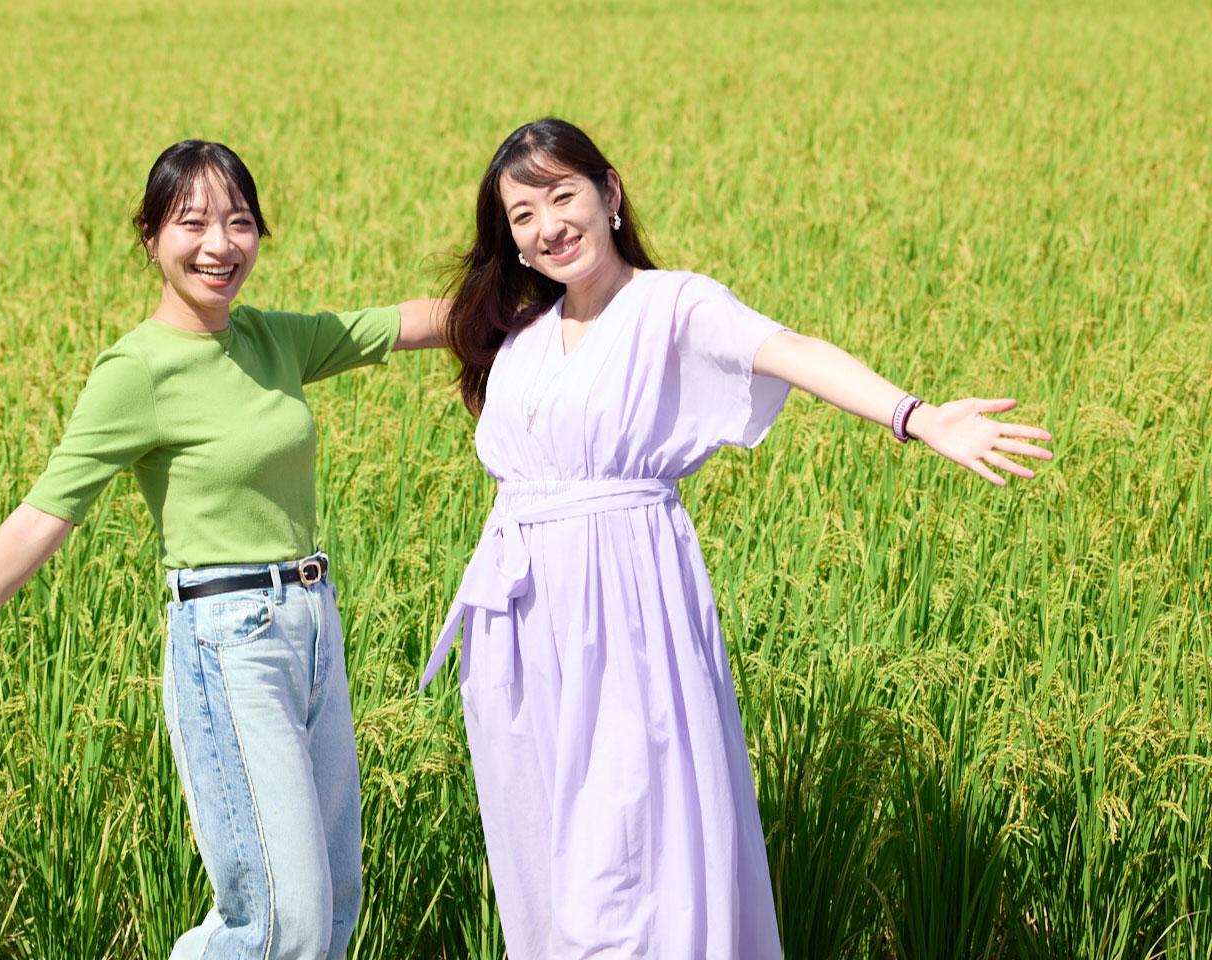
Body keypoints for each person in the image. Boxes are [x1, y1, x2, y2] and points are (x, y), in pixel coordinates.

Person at [423, 118, 1053, 958]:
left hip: (625, 610)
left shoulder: (671, 304)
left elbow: (787, 350)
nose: (548, 226)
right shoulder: (521, 332)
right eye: (522, 213)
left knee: (629, 856)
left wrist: (917, 415)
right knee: (542, 856)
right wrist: (254, 333)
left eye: (563, 195)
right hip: (519, 624)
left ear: (609, 194)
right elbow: (390, 326)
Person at [0, 139, 446, 960]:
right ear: (151, 237)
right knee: (279, 925)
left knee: (332, 910)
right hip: (232, 640)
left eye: (239, 222)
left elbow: (412, 323)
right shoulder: (138, 370)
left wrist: (557, 283)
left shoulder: (274, 341)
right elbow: (42, 515)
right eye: (192, 222)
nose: (219, 244)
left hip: (313, 627)